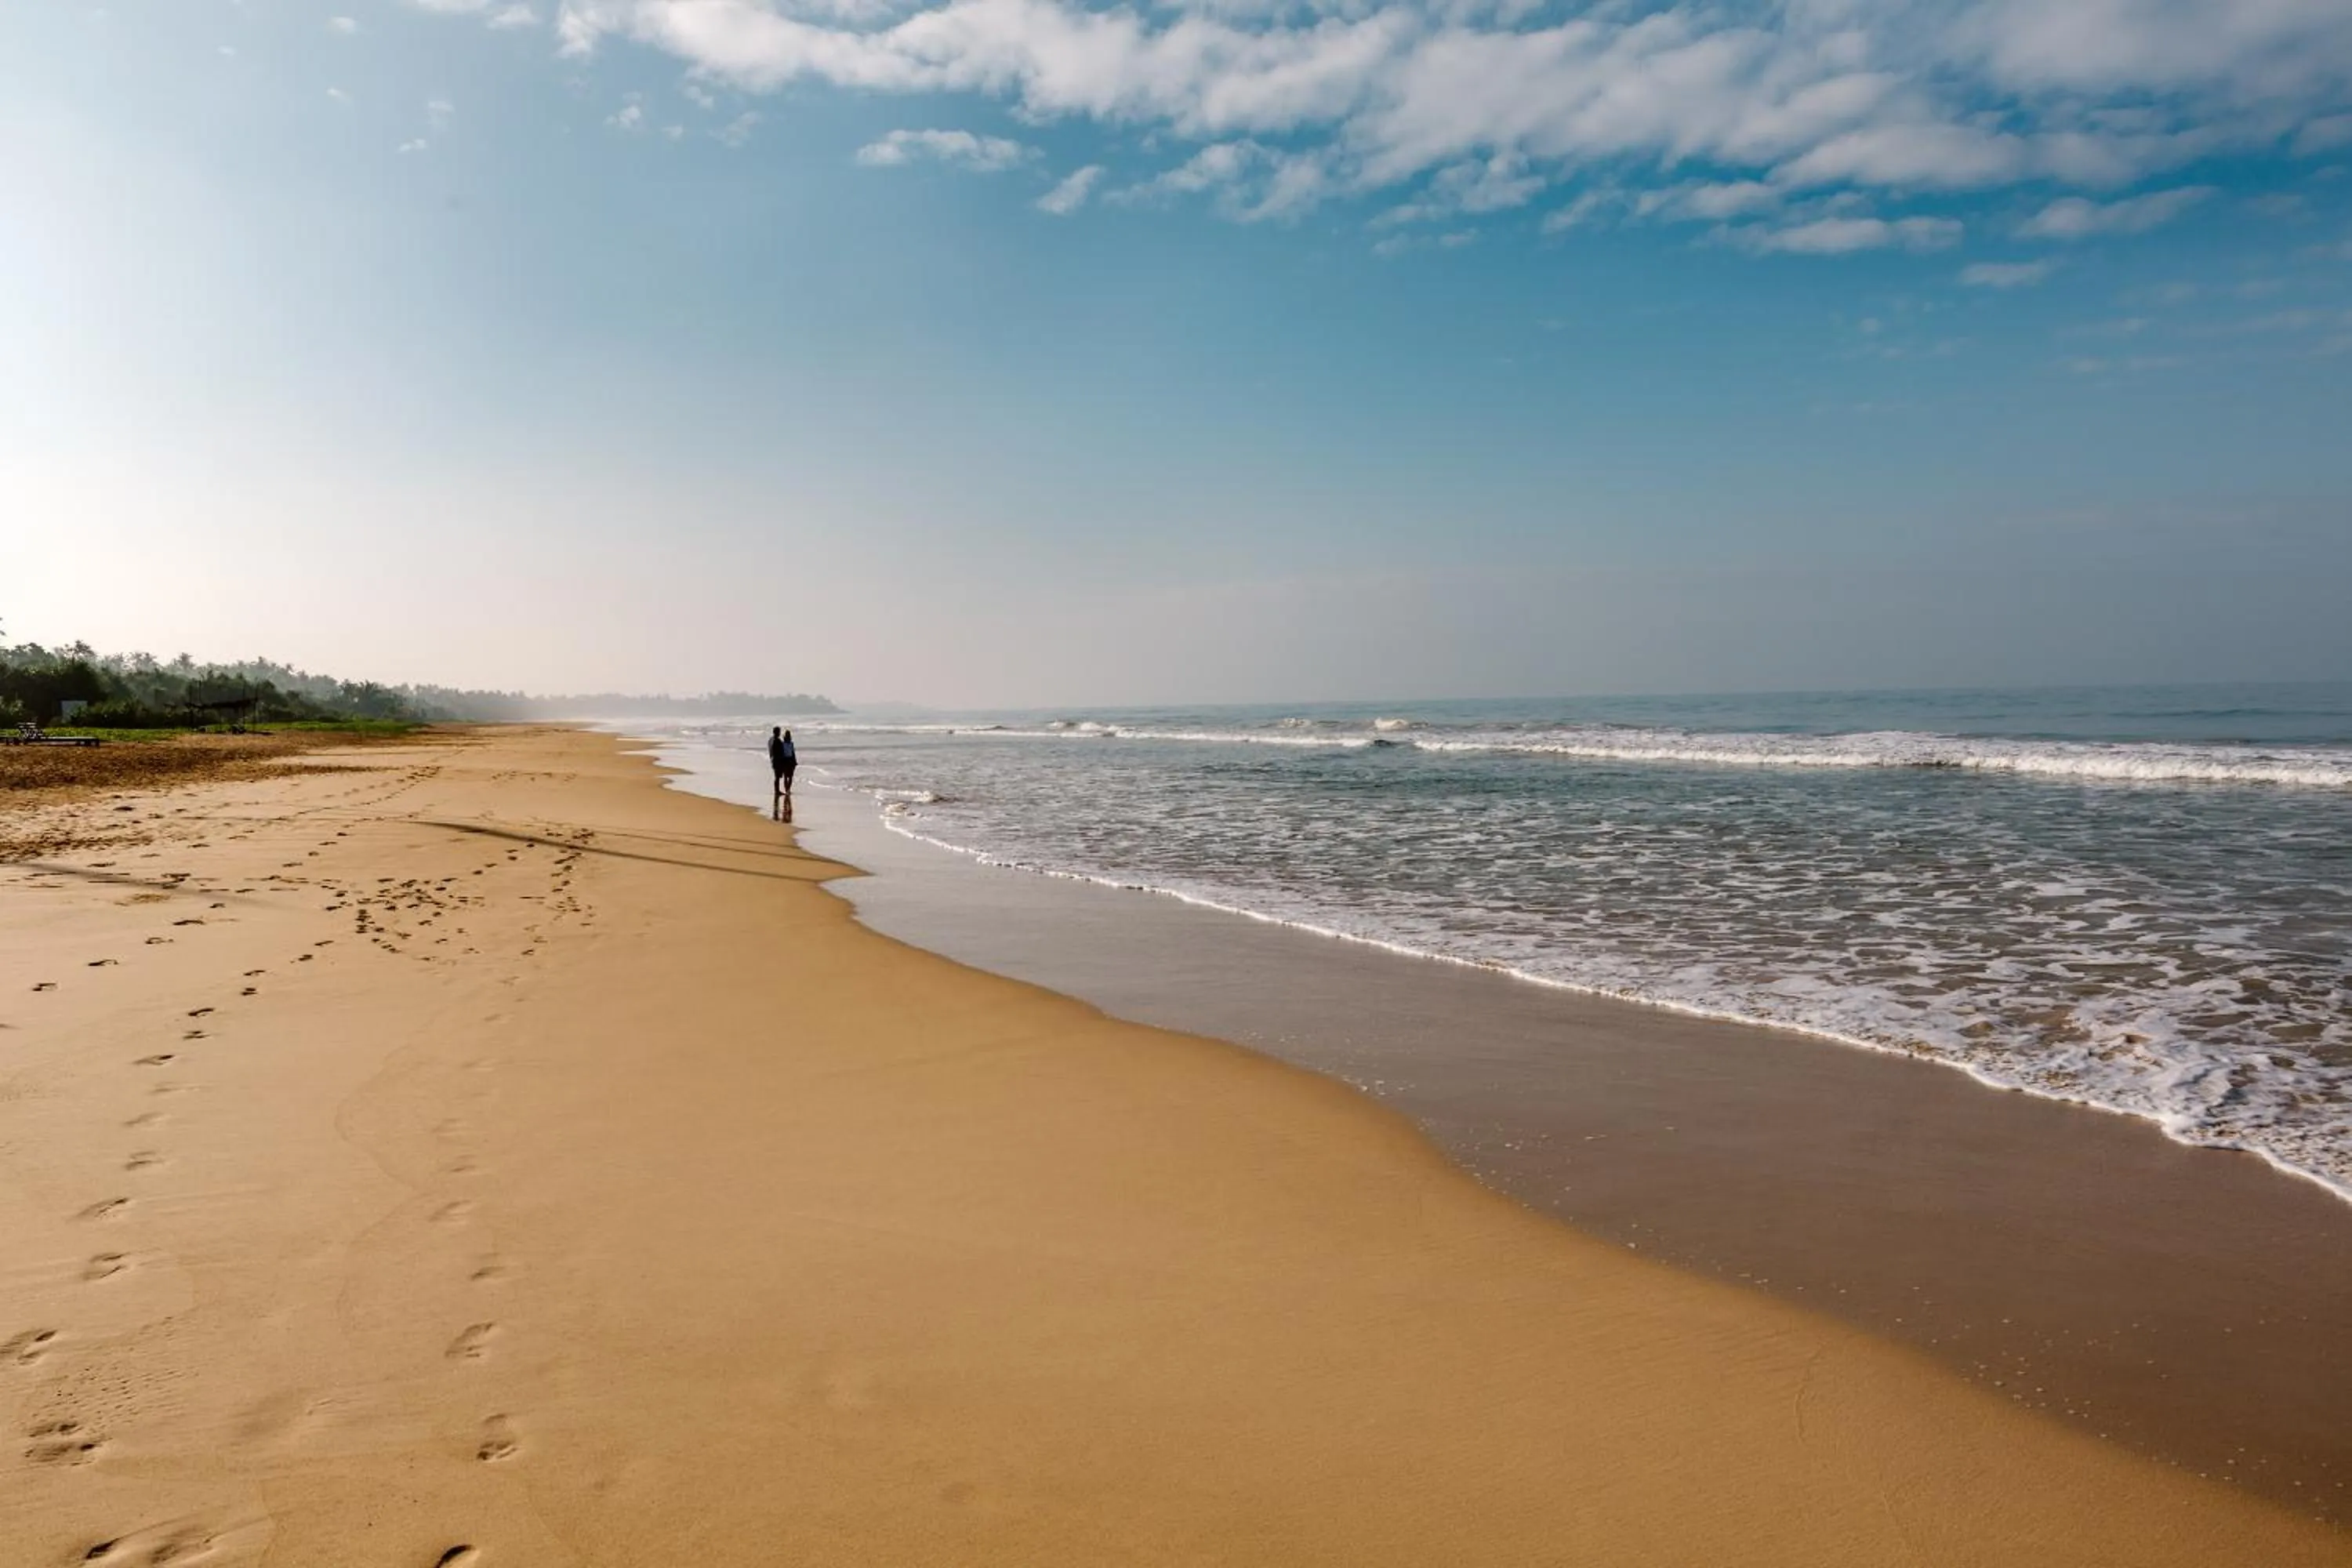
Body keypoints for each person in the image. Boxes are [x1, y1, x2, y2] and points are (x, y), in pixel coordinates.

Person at [768, 726, 797, 815]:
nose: (780, 733)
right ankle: (777, 791)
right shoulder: (777, 741)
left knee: (779, 777)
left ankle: (778, 790)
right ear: (777, 732)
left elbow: (771, 751)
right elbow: (779, 752)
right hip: (778, 761)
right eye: (779, 731)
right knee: (778, 776)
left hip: (775, 760)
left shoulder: (772, 740)